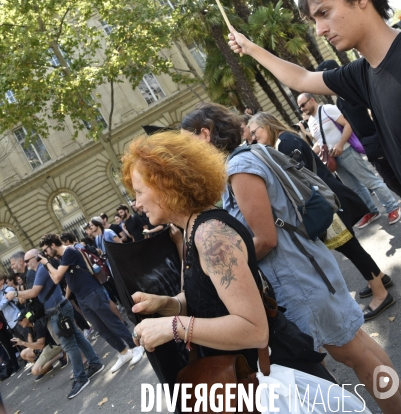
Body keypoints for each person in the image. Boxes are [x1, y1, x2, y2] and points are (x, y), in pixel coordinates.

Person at [181, 102, 401, 413]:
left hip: (298, 277)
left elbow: (266, 239)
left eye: (186, 140)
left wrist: (227, 268)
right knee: (359, 347)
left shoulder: (239, 170)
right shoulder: (249, 156)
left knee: (354, 354)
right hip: (306, 268)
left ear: (204, 135)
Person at [228, 0, 401, 186]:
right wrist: (250, 48)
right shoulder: (362, 74)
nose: (319, 30)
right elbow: (302, 78)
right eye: (314, 20)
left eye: (324, 12)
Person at [120, 130, 268, 376]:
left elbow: (255, 330)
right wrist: (167, 304)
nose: (136, 204)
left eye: (139, 192)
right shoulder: (191, 229)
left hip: (262, 379)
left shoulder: (210, 235)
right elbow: (211, 297)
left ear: (167, 185)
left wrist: (174, 326)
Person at [248, 111, 395, 321]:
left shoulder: (286, 143)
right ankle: (380, 277)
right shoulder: (284, 142)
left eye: (255, 131)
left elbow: (300, 183)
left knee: (352, 249)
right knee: (352, 247)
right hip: (327, 200)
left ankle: (381, 294)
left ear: (267, 125)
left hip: (326, 202)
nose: (253, 137)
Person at [38, 233, 144, 373]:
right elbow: (66, 279)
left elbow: (57, 277)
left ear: (52, 245)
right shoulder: (63, 257)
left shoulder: (69, 251)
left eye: (46, 249)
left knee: (112, 322)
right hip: (82, 298)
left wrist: (46, 263)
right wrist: (66, 296)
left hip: (91, 292)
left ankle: (136, 346)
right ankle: (124, 352)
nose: (45, 253)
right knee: (101, 329)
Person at [6, 248, 103, 399]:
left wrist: (15, 293)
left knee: (69, 345)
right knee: (77, 337)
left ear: (36, 258)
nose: (24, 264)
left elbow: (33, 293)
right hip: (58, 310)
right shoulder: (38, 270)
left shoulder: (41, 270)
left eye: (26, 260)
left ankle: (81, 378)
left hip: (58, 311)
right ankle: (95, 363)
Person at [296, 92, 400, 226]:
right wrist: (308, 150)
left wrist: (340, 144)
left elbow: (347, 125)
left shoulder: (328, 109)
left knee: (370, 181)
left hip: (346, 151)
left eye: (303, 105)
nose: (302, 109)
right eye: (299, 107)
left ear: (312, 100)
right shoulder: (310, 121)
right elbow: (320, 141)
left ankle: (392, 207)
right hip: (333, 160)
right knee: (354, 188)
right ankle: (371, 211)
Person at [315, 59, 401, 200]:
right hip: (370, 148)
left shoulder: (357, 89)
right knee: (391, 182)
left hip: (383, 141)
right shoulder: (339, 101)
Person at [12, 306, 65, 380]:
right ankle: (47, 368)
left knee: (35, 371)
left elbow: (40, 345)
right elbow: (31, 345)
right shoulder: (30, 326)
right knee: (23, 354)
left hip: (52, 346)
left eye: (21, 320)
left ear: (27, 317)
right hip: (44, 347)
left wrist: (23, 343)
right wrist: (29, 331)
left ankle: (60, 355)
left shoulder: (38, 325)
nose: (19, 323)